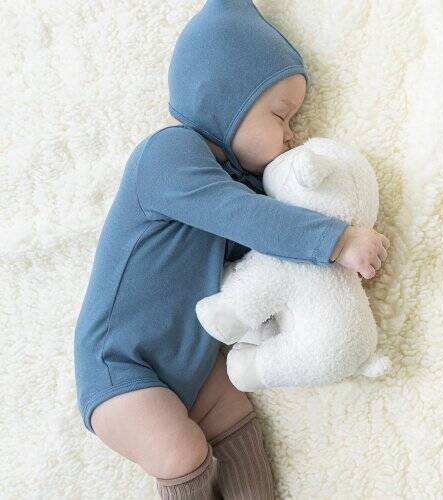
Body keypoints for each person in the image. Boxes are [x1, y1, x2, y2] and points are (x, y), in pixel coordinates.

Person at [73, 1, 390, 499]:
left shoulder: (232, 182)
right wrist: (336, 239)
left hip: (195, 363)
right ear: (222, 98)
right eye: (281, 115)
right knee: (182, 454)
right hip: (120, 365)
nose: (291, 135)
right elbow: (242, 216)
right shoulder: (168, 154)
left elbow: (253, 249)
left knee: (238, 423)